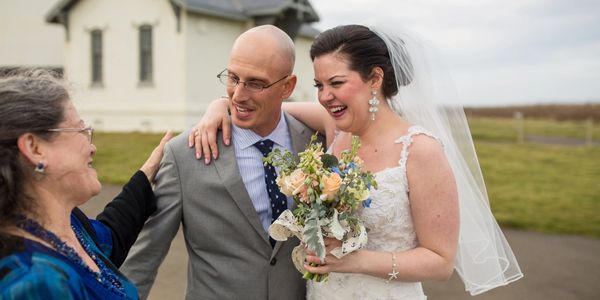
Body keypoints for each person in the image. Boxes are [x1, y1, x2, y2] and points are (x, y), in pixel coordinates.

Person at [191, 25, 523, 299]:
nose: (324, 96)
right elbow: (269, 107)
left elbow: (440, 262)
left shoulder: (420, 150)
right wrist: (220, 106)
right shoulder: (336, 128)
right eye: (320, 85)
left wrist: (355, 260)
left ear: (375, 79)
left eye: (336, 83)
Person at [120, 25, 321, 299]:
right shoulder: (184, 154)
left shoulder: (316, 143)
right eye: (233, 78)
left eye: (255, 83)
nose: (238, 95)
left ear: (288, 86)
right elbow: (145, 255)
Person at [0, 69, 172, 299]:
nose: (93, 147)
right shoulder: (35, 283)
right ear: (35, 148)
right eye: (81, 131)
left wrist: (149, 169)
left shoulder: (66, 226)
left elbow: (108, 238)